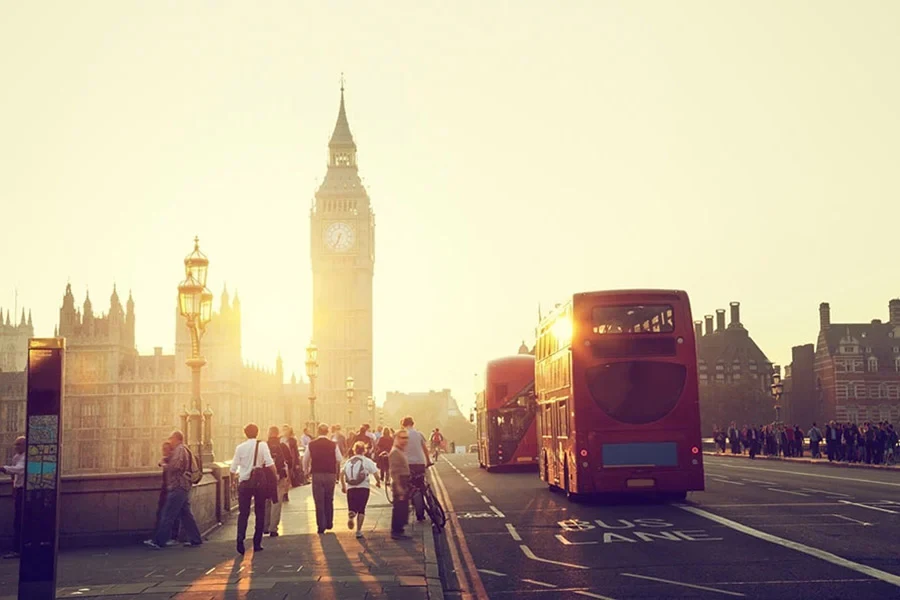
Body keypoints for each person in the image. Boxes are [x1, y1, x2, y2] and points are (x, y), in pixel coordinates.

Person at [146, 431, 203, 549]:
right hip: (183, 486)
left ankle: (159, 541)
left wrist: (164, 465)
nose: (170, 441)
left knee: (168, 514)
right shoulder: (183, 449)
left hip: (178, 486)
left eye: (171, 438)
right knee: (186, 515)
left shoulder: (180, 449)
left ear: (176, 439)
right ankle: (196, 539)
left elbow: (176, 466)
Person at [230, 423, 275, 555]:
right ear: (257, 432)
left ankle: (240, 539)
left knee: (243, 513)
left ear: (245, 433)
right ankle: (257, 543)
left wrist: (232, 482)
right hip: (259, 483)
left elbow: (233, 468)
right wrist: (275, 475)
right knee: (260, 512)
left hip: (244, 483)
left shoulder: (240, 448)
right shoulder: (262, 445)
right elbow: (269, 463)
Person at [302, 423, 343, 534]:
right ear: (327, 432)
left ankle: (321, 525)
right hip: (330, 474)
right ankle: (329, 522)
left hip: (317, 474)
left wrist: (306, 471)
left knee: (319, 500)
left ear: (318, 432)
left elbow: (305, 459)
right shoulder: (333, 444)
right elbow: (339, 458)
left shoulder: (311, 444)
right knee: (329, 499)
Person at [340, 441, 381, 538]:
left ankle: (352, 514)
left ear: (354, 450)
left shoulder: (349, 461)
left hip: (351, 488)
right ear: (364, 450)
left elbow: (341, 474)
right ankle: (358, 531)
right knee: (362, 509)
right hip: (363, 487)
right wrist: (378, 482)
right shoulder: (367, 461)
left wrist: (343, 486)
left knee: (352, 507)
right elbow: (375, 473)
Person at [145, 441, 180, 547]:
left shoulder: (173, 459)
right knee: (162, 514)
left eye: (166, 449)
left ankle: (169, 538)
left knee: (170, 515)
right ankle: (157, 538)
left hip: (172, 489)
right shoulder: (166, 459)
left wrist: (164, 464)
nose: (164, 451)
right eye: (163, 449)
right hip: (166, 490)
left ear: (171, 450)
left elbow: (173, 469)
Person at [0, 436, 25, 559]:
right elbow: (15, 476)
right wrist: (13, 488)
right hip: (19, 490)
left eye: (19, 444)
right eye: (15, 444)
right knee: (18, 521)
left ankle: (18, 550)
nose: (16, 447)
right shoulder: (16, 457)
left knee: (21, 521)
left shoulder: (27, 457)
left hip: (26, 491)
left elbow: (20, 470)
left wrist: (3, 468)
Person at [400, 416, 429, 522]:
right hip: (420, 463)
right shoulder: (419, 434)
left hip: (408, 465)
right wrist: (428, 461)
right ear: (413, 424)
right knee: (421, 485)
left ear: (403, 425)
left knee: (408, 487)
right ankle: (422, 511)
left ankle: (409, 507)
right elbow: (425, 449)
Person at [265, 426, 291, 537]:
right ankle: (273, 528)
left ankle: (265, 526)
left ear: (269, 433)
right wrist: (288, 477)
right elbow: (290, 461)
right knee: (277, 501)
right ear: (278, 434)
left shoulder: (264, 445)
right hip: (280, 476)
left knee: (266, 501)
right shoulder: (283, 446)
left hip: (266, 477)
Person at [389, 429, 412, 540]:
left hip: (404, 481)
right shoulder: (395, 452)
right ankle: (396, 531)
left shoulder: (400, 451)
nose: (405, 440)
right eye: (402, 438)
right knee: (398, 508)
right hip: (399, 482)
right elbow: (394, 471)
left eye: (406, 438)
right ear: (396, 439)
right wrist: (398, 487)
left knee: (403, 507)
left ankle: (400, 530)